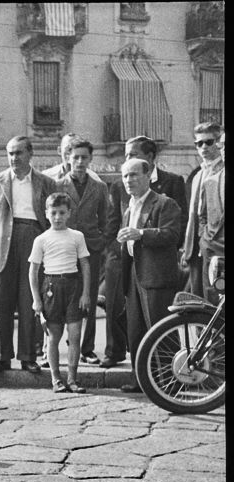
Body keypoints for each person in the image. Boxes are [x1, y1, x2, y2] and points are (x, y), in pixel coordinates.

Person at [100, 135, 188, 368]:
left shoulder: (164, 202)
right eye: (125, 176)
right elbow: (116, 229)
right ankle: (140, 378)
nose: (128, 180)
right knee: (135, 328)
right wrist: (120, 246)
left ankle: (168, 377)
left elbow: (172, 235)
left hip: (156, 275)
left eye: (134, 175)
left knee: (159, 329)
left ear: (148, 175)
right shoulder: (130, 205)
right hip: (132, 273)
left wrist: (141, 234)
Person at [0, 135, 60, 374]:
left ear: (30, 154)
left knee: (29, 303)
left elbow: (54, 219)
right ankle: (2, 357)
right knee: (2, 305)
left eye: (18, 153)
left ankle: (28, 357)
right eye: (10, 153)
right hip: (2, 247)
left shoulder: (46, 183)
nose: (14, 158)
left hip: (33, 240)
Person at [29, 192, 92, 394]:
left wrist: (85, 294)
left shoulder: (76, 236)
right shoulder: (41, 239)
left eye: (62, 213)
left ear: (69, 214)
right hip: (51, 288)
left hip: (73, 286)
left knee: (74, 335)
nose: (57, 217)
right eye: (53, 213)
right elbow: (33, 270)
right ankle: (56, 379)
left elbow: (85, 265)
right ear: (46, 213)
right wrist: (36, 299)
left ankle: (73, 379)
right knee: (53, 336)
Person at [56, 138, 109, 365]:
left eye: (84, 157)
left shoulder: (99, 187)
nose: (79, 162)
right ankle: (58, 350)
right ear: (68, 158)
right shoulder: (57, 186)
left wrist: (100, 242)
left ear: (90, 159)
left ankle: (87, 348)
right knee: (62, 297)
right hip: (64, 250)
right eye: (75, 157)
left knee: (88, 298)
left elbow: (106, 220)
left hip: (90, 250)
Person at [183, 122, 224, 299]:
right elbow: (193, 214)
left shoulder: (223, 170)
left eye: (209, 142)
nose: (203, 147)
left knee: (215, 296)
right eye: (199, 143)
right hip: (196, 246)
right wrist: (187, 247)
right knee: (198, 297)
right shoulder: (198, 174)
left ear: (219, 142)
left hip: (217, 244)